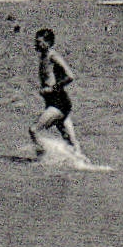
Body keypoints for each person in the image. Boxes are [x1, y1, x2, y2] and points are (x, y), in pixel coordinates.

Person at [28, 28, 82, 156]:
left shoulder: (53, 56)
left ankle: (43, 159)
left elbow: (70, 76)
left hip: (59, 103)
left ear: (48, 42)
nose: (36, 45)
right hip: (53, 102)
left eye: (39, 42)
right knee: (70, 142)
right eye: (36, 42)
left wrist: (53, 88)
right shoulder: (43, 56)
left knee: (34, 130)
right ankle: (83, 165)